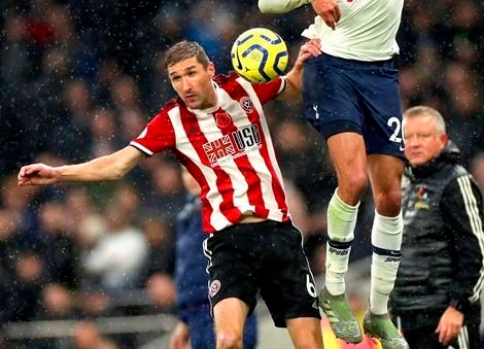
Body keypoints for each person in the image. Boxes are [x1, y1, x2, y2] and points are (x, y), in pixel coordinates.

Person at [18, 39, 325, 349]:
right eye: (176, 78)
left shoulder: (243, 87)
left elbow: (292, 88)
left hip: (278, 233)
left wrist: (299, 66)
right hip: (228, 241)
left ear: (209, 70)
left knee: (310, 344)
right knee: (229, 340)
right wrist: (59, 174)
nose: (185, 84)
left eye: (191, 73)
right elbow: (117, 165)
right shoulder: (172, 121)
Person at [257, 1, 408, 349]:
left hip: (380, 72)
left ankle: (379, 312)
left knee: (390, 196)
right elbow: (267, 3)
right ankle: (335, 289)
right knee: (354, 180)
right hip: (331, 67)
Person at [389, 106, 484, 349]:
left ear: (442, 140)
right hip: (405, 319)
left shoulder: (456, 183)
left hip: (443, 318)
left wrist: (458, 308)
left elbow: (478, 255)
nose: (414, 143)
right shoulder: (400, 184)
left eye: (423, 136)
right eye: (408, 137)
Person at [169, 167, 258, 349]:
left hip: (227, 306)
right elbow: (187, 272)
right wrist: (185, 319)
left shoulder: (228, 209)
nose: (192, 178)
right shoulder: (186, 215)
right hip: (198, 314)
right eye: (186, 172)